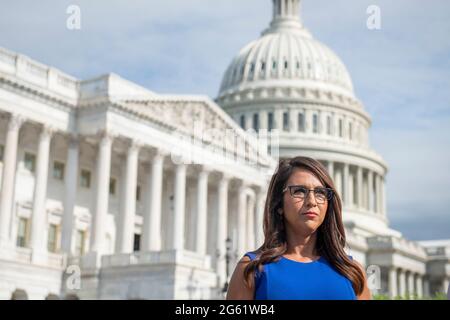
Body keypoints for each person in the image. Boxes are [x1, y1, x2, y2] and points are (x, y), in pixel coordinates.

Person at [226, 156, 371, 300]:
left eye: (320, 192)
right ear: (279, 204)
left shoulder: (352, 272)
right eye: (299, 191)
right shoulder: (251, 269)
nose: (312, 201)